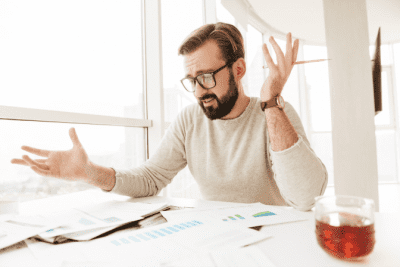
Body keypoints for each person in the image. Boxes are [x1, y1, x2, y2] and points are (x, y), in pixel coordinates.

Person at [12, 22, 328, 211]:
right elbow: (150, 179)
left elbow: (305, 196)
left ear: (239, 70)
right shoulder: (190, 121)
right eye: (191, 81)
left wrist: (271, 101)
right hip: (220, 243)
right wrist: (90, 172)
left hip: (272, 245)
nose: (198, 91)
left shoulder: (274, 115)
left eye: (206, 77)